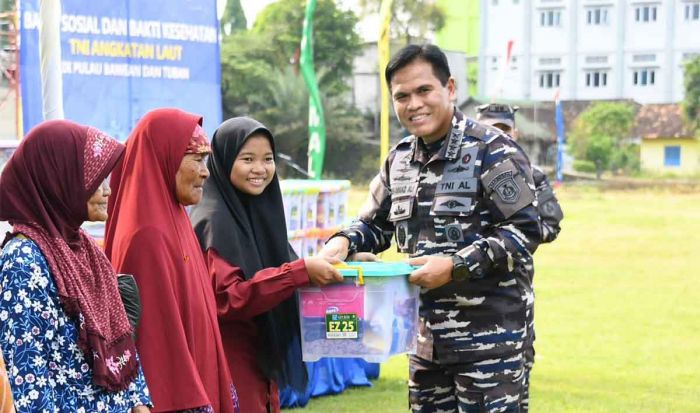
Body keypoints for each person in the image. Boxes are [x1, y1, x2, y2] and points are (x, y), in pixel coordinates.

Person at [319, 44, 542, 412]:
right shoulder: (400, 160)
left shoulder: (492, 151)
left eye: (424, 91)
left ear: (449, 89)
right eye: (402, 96)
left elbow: (523, 231)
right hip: (424, 343)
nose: (414, 104)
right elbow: (374, 224)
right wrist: (343, 242)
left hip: (490, 347)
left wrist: (455, 265)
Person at [190, 117, 342, 413]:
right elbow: (228, 299)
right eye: (247, 159)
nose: (260, 169)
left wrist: (345, 264)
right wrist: (299, 273)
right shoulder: (214, 219)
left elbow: (290, 266)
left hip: (262, 358)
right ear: (223, 160)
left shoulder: (260, 210)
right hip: (231, 361)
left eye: (268, 159)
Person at [0, 120, 151, 412]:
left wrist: (139, 402)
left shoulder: (83, 246)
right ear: (58, 181)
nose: (107, 191)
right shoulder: (23, 258)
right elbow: (29, 371)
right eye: (97, 181)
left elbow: (118, 335)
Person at [104, 109, 237, 413]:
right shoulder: (146, 234)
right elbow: (156, 346)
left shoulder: (173, 215)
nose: (205, 172)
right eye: (196, 159)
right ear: (163, 158)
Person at [476, 102, 564, 412]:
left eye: (503, 130)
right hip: (466, 295)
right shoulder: (467, 174)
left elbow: (548, 225)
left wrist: (512, 233)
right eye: (489, 129)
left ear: (516, 132)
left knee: (516, 371)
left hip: (513, 293)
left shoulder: (533, 175)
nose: (497, 135)